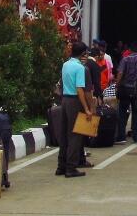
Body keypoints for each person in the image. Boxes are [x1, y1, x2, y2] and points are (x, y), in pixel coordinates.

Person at [57, 42, 94, 178]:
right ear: (83, 53)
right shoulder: (80, 68)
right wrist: (87, 108)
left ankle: (61, 166)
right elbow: (80, 90)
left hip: (65, 100)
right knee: (75, 135)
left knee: (64, 134)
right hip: (74, 101)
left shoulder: (65, 64)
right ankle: (71, 168)